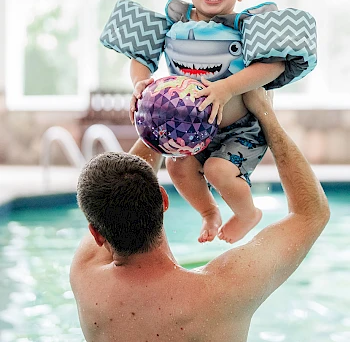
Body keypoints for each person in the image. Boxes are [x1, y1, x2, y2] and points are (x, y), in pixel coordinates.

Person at [70, 87, 330, 342]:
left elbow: (114, 196)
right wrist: (265, 113)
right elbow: (311, 214)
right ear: (163, 199)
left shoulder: (85, 277)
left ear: (96, 233)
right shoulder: (222, 290)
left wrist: (161, 120)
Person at [130, 0, 286, 244]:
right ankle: (208, 212)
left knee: (218, 171)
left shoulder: (246, 27)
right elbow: (140, 57)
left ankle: (247, 213)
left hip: (239, 130)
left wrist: (227, 88)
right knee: (177, 166)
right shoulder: (173, 25)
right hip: (190, 130)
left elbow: (275, 65)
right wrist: (139, 83)